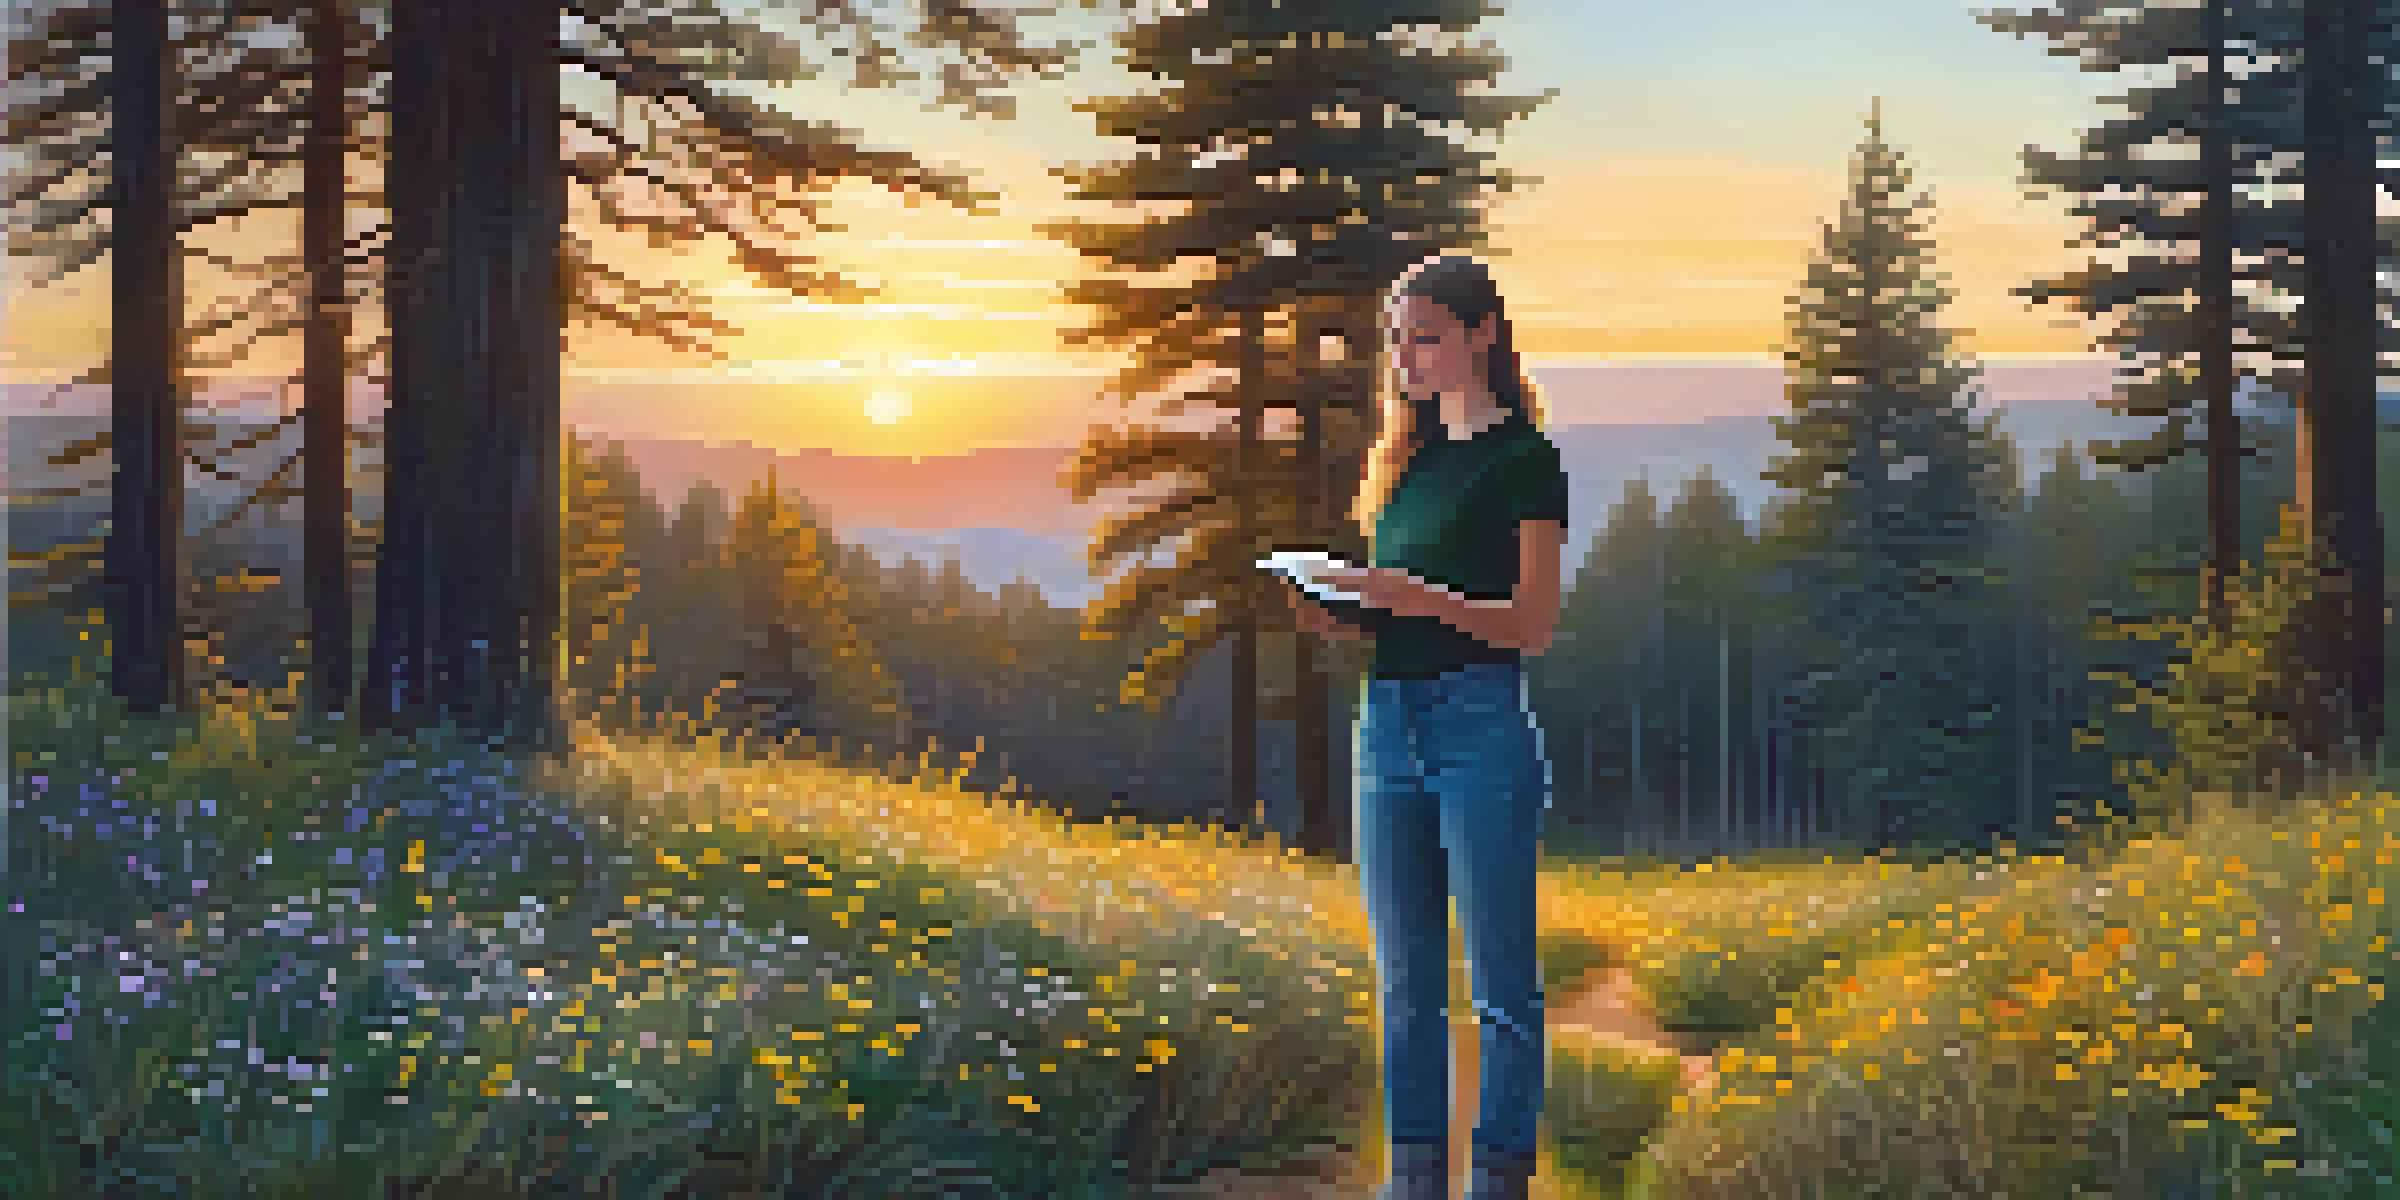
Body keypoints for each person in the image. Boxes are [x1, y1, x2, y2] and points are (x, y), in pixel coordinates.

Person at [1284, 254, 1568, 1200]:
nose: (1407, 357)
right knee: (1405, 985)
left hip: (1479, 723)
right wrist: (1344, 611)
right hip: (1388, 726)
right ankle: (1413, 1184)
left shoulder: (1525, 460)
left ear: (1483, 335)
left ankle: (1498, 1183)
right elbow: (1402, 610)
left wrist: (1414, 596)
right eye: (1398, 341)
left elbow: (1530, 625)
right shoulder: (1405, 461)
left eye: (1427, 337)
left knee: (1501, 991)